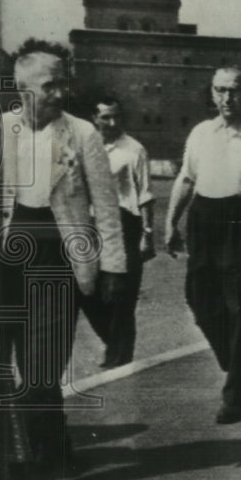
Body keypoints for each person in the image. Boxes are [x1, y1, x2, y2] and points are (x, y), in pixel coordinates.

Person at [0, 44, 127, 480]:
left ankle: (42, 450)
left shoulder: (82, 133)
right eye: (49, 84)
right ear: (22, 88)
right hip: (3, 263)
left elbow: (106, 207)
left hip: (59, 262)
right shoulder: (1, 130)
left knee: (40, 369)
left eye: (61, 82)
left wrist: (112, 267)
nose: (59, 92)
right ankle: (37, 448)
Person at [165, 67, 241, 424]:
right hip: (205, 221)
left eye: (234, 91)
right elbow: (186, 179)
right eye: (220, 90)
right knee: (200, 301)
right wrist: (170, 222)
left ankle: (235, 396)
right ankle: (237, 369)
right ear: (212, 92)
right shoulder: (201, 133)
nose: (226, 98)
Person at [80, 95, 155, 368]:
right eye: (106, 117)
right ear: (94, 118)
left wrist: (148, 234)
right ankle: (115, 346)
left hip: (125, 225)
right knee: (85, 291)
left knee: (121, 295)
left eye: (117, 117)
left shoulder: (133, 150)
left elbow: (145, 194)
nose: (113, 123)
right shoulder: (84, 147)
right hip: (89, 226)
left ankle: (120, 358)